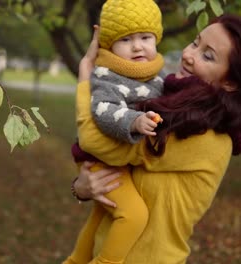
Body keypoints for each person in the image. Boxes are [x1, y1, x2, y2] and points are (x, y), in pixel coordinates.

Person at [69, 14, 241, 263]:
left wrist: (85, 79)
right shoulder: (169, 103)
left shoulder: (204, 135)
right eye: (194, 42)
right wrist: (81, 188)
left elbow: (94, 142)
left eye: (207, 55)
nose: (188, 54)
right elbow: (111, 177)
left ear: (231, 82)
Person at [65, 0, 165, 263]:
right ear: (108, 44)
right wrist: (133, 121)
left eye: (145, 37)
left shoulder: (155, 77)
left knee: (100, 217)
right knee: (134, 215)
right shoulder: (107, 74)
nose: (137, 46)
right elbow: (103, 109)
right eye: (126, 39)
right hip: (98, 160)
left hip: (117, 160)